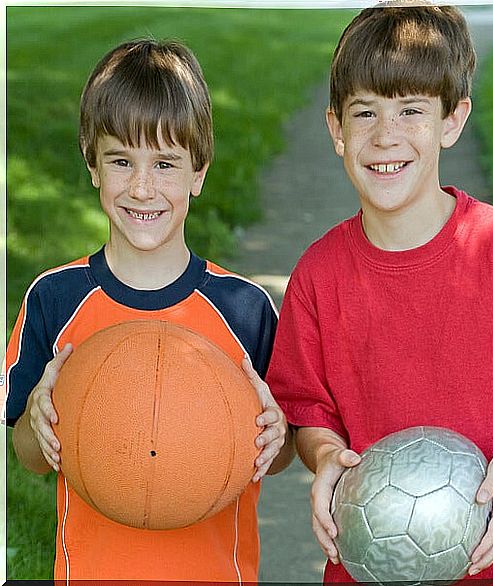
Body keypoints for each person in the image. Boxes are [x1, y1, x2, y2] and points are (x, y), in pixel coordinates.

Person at [266, 4, 493, 582]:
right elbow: (307, 411)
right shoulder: (320, 273)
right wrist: (324, 459)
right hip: (372, 565)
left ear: (453, 119)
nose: (385, 136)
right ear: (336, 129)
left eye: (411, 110)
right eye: (364, 113)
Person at [3, 39, 294, 581]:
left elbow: (276, 455)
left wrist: (277, 436)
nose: (142, 187)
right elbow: (28, 453)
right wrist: (39, 419)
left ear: (199, 172)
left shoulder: (245, 309)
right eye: (120, 160)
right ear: (92, 164)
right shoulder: (55, 298)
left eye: (165, 163)